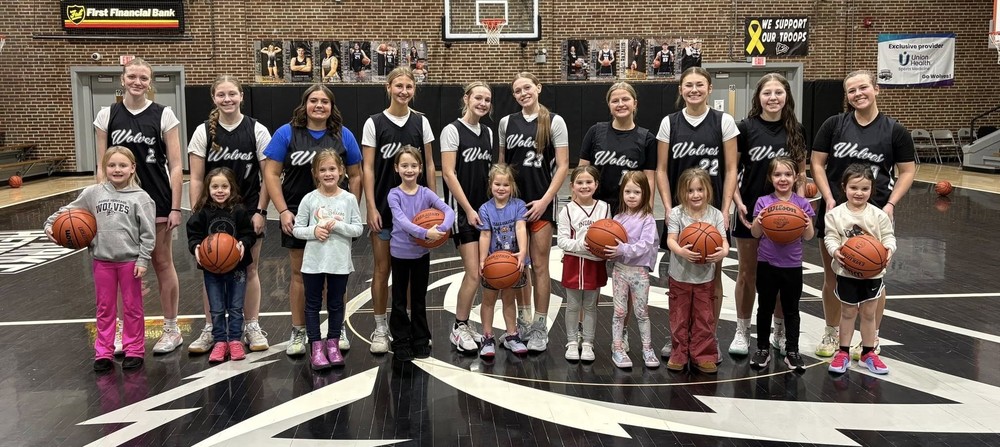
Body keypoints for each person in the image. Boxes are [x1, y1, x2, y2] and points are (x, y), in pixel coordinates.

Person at [810, 69, 915, 359]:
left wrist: (891, 204)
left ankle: (871, 339)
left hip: (874, 214)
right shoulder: (834, 125)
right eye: (852, 90)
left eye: (863, 88)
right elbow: (817, 163)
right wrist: (828, 197)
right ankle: (832, 333)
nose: (858, 94)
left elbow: (908, 171)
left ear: (876, 89)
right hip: (836, 213)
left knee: (873, 276)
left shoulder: (894, 130)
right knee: (833, 276)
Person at [263, 84, 363, 357]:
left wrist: (349, 207)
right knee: (300, 275)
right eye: (313, 100)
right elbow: (271, 174)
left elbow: (355, 175)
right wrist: (283, 210)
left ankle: (337, 328)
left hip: (336, 215)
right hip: (299, 212)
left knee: (336, 274)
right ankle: (298, 330)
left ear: (332, 107)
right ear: (304, 103)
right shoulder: (287, 133)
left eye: (325, 102)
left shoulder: (344, 135)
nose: (319, 106)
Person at [94, 58, 184, 355]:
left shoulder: (163, 114)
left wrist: (175, 206)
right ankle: (123, 329)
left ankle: (171, 329)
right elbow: (100, 164)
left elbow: (175, 164)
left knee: (161, 263)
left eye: (143, 77)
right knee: (122, 267)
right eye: (132, 76)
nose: (137, 81)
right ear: (122, 79)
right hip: (115, 204)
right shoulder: (107, 114)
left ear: (150, 81)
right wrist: (98, 202)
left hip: (154, 199)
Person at [45, 146, 155, 372]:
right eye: (112, 165)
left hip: (130, 261)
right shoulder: (93, 193)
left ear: (132, 168)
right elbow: (67, 212)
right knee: (105, 308)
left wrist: (143, 260)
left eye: (122, 165)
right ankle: (103, 351)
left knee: (132, 308)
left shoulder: (141, 198)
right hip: (102, 260)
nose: (117, 169)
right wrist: (49, 224)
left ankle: (134, 349)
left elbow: (148, 233)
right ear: (104, 168)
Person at [655, 66, 738, 359]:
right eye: (688, 85)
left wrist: (725, 209)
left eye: (699, 85)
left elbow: (731, 169)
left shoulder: (723, 121)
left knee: (711, 277)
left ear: (709, 88)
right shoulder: (670, 123)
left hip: (711, 210)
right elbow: (662, 170)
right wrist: (667, 208)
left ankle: (706, 339)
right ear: (681, 90)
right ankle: (678, 337)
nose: (694, 90)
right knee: (678, 277)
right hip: (681, 209)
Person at [187, 75, 272, 354]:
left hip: (246, 212)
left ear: (241, 96)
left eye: (232, 94)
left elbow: (268, 175)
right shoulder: (203, 132)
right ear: (214, 98)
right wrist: (197, 214)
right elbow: (197, 179)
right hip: (212, 215)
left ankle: (251, 325)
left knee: (249, 269)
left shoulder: (257, 129)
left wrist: (260, 211)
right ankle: (212, 328)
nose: (227, 99)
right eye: (221, 95)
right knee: (211, 267)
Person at [729, 73, 808, 357]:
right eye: (767, 93)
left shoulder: (796, 130)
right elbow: (731, 171)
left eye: (778, 92)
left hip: (786, 215)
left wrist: (798, 207)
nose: (773, 98)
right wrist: (737, 203)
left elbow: (800, 173)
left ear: (787, 95)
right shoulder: (745, 128)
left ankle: (779, 330)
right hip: (751, 210)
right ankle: (742, 330)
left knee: (780, 275)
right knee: (747, 273)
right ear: (758, 97)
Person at [362, 67, 437, 355]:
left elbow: (430, 164)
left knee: (410, 273)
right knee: (383, 271)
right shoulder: (375, 122)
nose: (404, 91)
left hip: (418, 212)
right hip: (384, 208)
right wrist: (370, 205)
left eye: (409, 86)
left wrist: (433, 203)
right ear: (388, 87)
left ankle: (408, 327)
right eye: (399, 86)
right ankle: (381, 328)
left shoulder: (421, 121)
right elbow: (368, 168)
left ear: (414, 90)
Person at [578, 81, 657, 350]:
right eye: (615, 100)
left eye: (625, 99)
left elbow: (649, 179)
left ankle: (621, 334)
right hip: (598, 212)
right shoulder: (596, 132)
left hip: (629, 213)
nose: (621, 104)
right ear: (609, 105)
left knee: (627, 277)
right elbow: (582, 173)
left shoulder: (645, 137)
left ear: (635, 103)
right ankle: (583, 333)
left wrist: (646, 213)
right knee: (590, 277)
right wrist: (581, 208)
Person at [499, 72, 570, 352]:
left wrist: (544, 200)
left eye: (527, 87)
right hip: (513, 207)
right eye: (517, 90)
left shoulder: (555, 121)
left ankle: (540, 327)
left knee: (540, 267)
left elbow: (563, 165)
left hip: (540, 206)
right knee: (519, 267)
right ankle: (523, 321)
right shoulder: (507, 122)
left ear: (538, 88)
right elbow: (503, 167)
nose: (522, 93)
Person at [292, 150, 364, 370]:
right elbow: (297, 230)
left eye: (332, 169)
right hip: (313, 263)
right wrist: (315, 231)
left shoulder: (349, 198)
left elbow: (358, 229)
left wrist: (337, 225)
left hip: (339, 262)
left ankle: (332, 344)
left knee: (335, 304)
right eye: (322, 170)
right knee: (312, 305)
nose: (328, 173)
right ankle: (315, 346)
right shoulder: (309, 199)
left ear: (341, 171)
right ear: (315, 173)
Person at [824, 164, 896, 375]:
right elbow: (830, 237)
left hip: (873, 273)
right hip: (847, 272)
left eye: (865, 189)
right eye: (854, 187)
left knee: (868, 313)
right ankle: (843, 352)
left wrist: (889, 250)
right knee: (847, 313)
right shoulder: (835, 215)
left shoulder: (879, 215)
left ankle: (868, 353)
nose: (859, 193)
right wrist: (835, 251)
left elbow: (889, 237)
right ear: (844, 187)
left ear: (871, 190)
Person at [440, 81, 494, 353]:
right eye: (478, 98)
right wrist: (469, 210)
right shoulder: (452, 130)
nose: (482, 103)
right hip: (464, 213)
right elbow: (448, 174)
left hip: (486, 213)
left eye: (487, 99)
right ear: (466, 99)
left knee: (484, 272)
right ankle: (459, 326)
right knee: (473, 273)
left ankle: (466, 324)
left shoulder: (488, 132)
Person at [387, 146, 455, 362]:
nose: (409, 170)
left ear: (420, 169)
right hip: (399, 254)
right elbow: (402, 221)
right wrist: (426, 232)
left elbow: (449, 211)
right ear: (397, 168)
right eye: (404, 165)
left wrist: (442, 229)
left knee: (418, 298)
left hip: (420, 255)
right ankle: (400, 340)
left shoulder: (426, 193)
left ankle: (420, 338)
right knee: (398, 300)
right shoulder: (394, 194)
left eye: (413, 166)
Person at [748, 157, 815, 371]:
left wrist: (805, 222)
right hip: (766, 262)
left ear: (795, 177)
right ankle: (761, 349)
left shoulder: (802, 204)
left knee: (791, 309)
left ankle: (793, 351)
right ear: (770, 177)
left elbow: (809, 236)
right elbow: (755, 233)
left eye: (787, 174)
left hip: (792, 265)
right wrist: (760, 220)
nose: (783, 179)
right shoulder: (763, 202)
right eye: (777, 175)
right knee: (765, 307)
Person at [186, 167, 256, 364]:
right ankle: (219, 341)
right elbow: (193, 234)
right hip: (211, 268)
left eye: (224, 186)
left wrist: (244, 243)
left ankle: (234, 340)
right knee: (216, 308)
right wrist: (196, 247)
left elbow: (249, 233)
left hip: (237, 268)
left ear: (231, 188)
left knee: (235, 306)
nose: (219, 190)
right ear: (207, 189)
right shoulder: (202, 212)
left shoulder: (239, 211)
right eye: (215, 186)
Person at [663, 168, 728, 374]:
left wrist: (722, 253)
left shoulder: (715, 214)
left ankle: (704, 355)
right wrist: (681, 251)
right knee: (679, 317)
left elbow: (724, 242)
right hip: (679, 275)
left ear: (708, 190)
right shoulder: (676, 213)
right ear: (683, 193)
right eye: (690, 191)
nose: (696, 194)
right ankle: (679, 353)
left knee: (704, 318)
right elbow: (670, 240)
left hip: (705, 277)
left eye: (700, 189)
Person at [604, 171, 659, 369]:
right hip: (620, 270)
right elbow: (611, 243)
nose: (632, 196)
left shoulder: (648, 219)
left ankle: (647, 348)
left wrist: (621, 249)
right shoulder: (617, 218)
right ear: (622, 193)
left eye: (637, 191)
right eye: (628, 191)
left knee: (642, 313)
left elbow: (645, 245)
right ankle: (617, 348)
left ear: (645, 193)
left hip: (639, 273)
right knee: (619, 312)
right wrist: (609, 252)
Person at [556, 165, 609, 362]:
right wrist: (584, 244)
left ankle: (588, 343)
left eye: (589, 182)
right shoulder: (567, 210)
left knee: (590, 306)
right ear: (572, 186)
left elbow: (610, 236)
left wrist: (604, 247)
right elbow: (562, 241)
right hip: (574, 263)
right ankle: (571, 341)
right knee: (572, 305)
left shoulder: (604, 207)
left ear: (596, 185)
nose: (584, 186)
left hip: (595, 264)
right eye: (580, 182)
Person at [477, 163, 530, 358]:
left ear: (512, 186)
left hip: (512, 263)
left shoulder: (519, 205)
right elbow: (484, 235)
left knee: (509, 299)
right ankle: (487, 336)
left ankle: (511, 335)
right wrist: (482, 260)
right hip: (493, 265)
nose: (501, 188)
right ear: (491, 185)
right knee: (488, 300)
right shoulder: (485, 209)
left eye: (505, 185)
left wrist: (523, 252)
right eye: (497, 184)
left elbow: (521, 228)